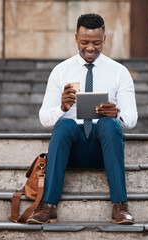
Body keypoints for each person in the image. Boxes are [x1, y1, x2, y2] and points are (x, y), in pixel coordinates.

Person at [27, 13, 138, 225]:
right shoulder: (61, 71)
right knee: (65, 124)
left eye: (97, 43)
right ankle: (48, 205)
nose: (90, 48)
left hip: (104, 149)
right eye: (85, 42)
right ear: (76, 38)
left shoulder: (119, 72)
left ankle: (120, 206)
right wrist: (62, 108)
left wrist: (116, 114)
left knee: (108, 123)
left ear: (105, 39)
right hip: (72, 150)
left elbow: (132, 118)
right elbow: (44, 118)